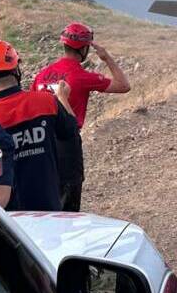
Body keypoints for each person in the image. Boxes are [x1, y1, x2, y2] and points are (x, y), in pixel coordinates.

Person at [31, 22, 131, 211]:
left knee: (45, 202)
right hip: (67, 144)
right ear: (84, 48)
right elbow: (124, 85)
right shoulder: (81, 76)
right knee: (68, 203)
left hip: (41, 143)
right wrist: (107, 58)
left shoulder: (42, 75)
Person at [0, 40, 78, 211]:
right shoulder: (46, 101)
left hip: (9, 220)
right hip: (50, 208)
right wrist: (63, 99)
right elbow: (70, 131)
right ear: (16, 69)